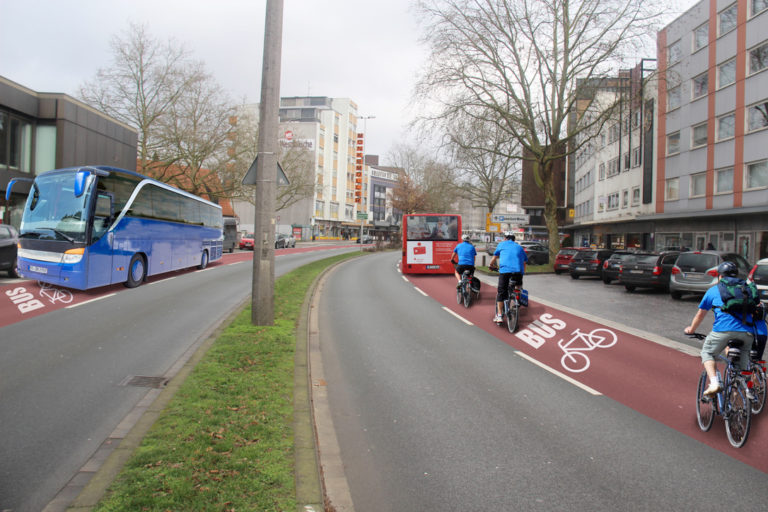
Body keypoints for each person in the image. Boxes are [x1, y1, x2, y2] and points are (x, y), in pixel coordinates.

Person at [684, 261, 756, 396]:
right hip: (747, 333)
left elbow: (700, 314)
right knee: (743, 364)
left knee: (707, 353)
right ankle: (744, 390)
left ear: (720, 276)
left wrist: (691, 329)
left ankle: (714, 383)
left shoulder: (714, 290)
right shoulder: (745, 288)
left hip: (722, 331)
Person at [488, 232, 528, 324]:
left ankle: (499, 315)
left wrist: (490, 265)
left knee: (501, 292)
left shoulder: (501, 244)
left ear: (505, 238)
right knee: (518, 286)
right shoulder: (519, 247)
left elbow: (494, 258)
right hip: (518, 272)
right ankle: (517, 297)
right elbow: (524, 262)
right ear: (514, 239)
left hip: (505, 271)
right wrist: (523, 273)